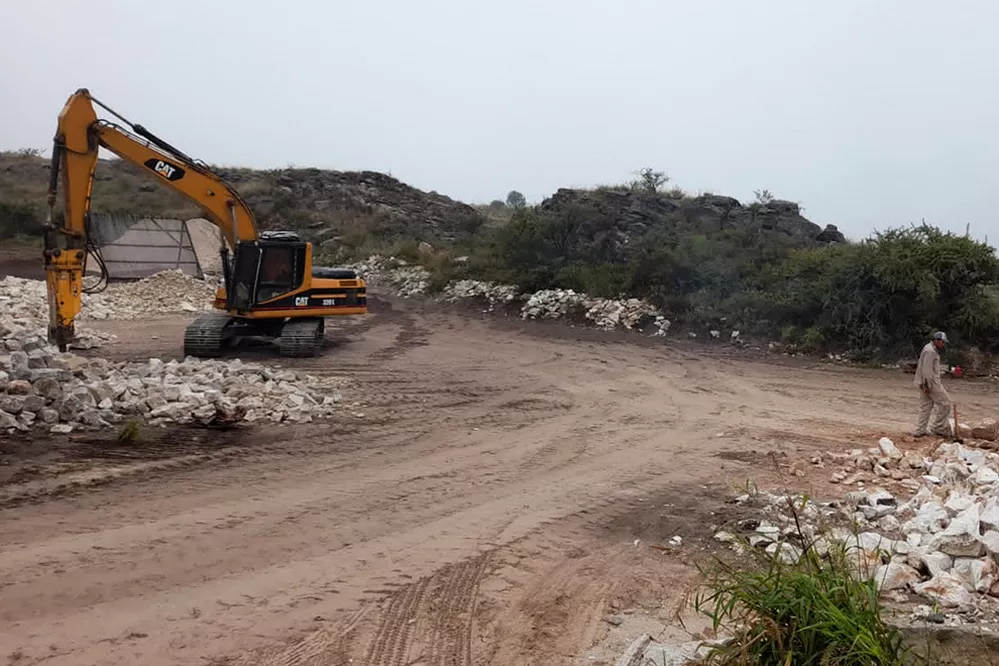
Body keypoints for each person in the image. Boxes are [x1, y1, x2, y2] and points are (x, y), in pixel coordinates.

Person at [914, 331, 951, 437]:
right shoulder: (930, 351)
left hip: (924, 382)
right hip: (931, 383)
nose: (943, 345)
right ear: (937, 340)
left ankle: (920, 430)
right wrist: (927, 385)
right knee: (945, 404)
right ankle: (938, 427)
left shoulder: (928, 348)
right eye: (942, 342)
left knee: (926, 406)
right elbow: (926, 370)